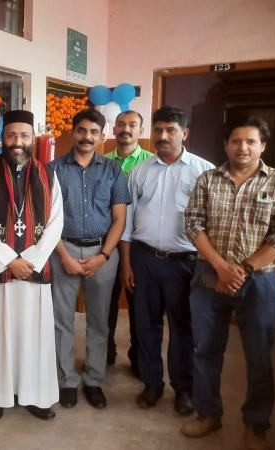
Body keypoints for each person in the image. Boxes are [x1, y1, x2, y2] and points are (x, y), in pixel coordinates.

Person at [181, 116, 275, 449]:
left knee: (259, 354)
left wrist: (242, 270)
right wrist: (221, 268)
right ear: (226, 145)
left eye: (250, 141)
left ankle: (256, 425)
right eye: (236, 141)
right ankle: (208, 414)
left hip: (260, 281)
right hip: (208, 277)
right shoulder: (207, 180)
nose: (242, 147)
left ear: (262, 145)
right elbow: (193, 225)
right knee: (205, 351)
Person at [0, 110, 64, 422]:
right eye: (11, 136)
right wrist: (11, 260)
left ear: (32, 137)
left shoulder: (48, 175)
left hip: (35, 271)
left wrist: (32, 261)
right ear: (3, 137)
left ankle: (35, 395)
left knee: (34, 335)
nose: (17, 143)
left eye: (24, 136)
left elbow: (55, 223)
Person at [119, 106, 214, 415]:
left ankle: (183, 389)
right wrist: (127, 263)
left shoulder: (204, 172)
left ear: (184, 133)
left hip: (186, 262)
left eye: (170, 130)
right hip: (145, 259)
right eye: (158, 130)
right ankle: (151, 383)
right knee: (145, 325)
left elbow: (212, 222)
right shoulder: (140, 171)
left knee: (183, 327)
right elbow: (128, 220)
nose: (162, 136)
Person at [51, 108, 131, 410]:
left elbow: (119, 220)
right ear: (73, 132)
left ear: (102, 136)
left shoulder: (113, 172)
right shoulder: (53, 169)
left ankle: (94, 380)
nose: (87, 137)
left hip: (102, 253)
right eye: (82, 130)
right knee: (62, 320)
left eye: (94, 132)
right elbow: (44, 220)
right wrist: (64, 255)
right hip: (63, 252)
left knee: (99, 321)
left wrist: (104, 256)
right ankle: (67, 379)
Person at [104, 110, 153, 371]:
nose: (126, 129)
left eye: (132, 125)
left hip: (139, 245)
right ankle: (105, 353)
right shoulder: (101, 162)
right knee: (105, 304)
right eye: (121, 124)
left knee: (139, 308)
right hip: (106, 244)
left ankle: (138, 357)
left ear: (141, 130)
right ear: (114, 130)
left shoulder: (151, 164)